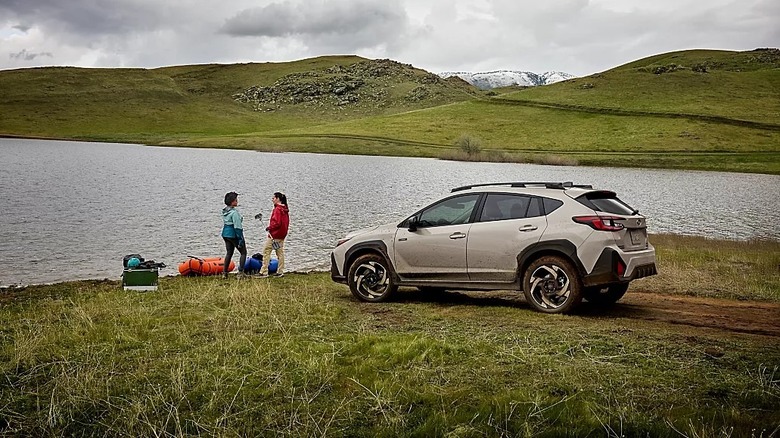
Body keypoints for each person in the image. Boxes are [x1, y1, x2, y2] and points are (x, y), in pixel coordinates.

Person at [258, 192, 289, 277]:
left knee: (266, 251)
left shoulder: (278, 209)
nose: (272, 199)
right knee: (279, 252)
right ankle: (280, 271)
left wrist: (269, 228)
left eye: (273, 198)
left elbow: (277, 223)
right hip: (282, 234)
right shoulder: (285, 209)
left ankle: (264, 272)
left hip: (275, 235)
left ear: (278, 199)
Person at [221, 191, 247, 278]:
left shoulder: (225, 211)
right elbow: (237, 227)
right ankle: (240, 272)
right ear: (232, 202)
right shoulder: (234, 213)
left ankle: (224, 273)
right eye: (236, 200)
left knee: (229, 253)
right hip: (233, 234)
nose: (237, 201)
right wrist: (240, 239)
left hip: (225, 234)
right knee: (243, 252)